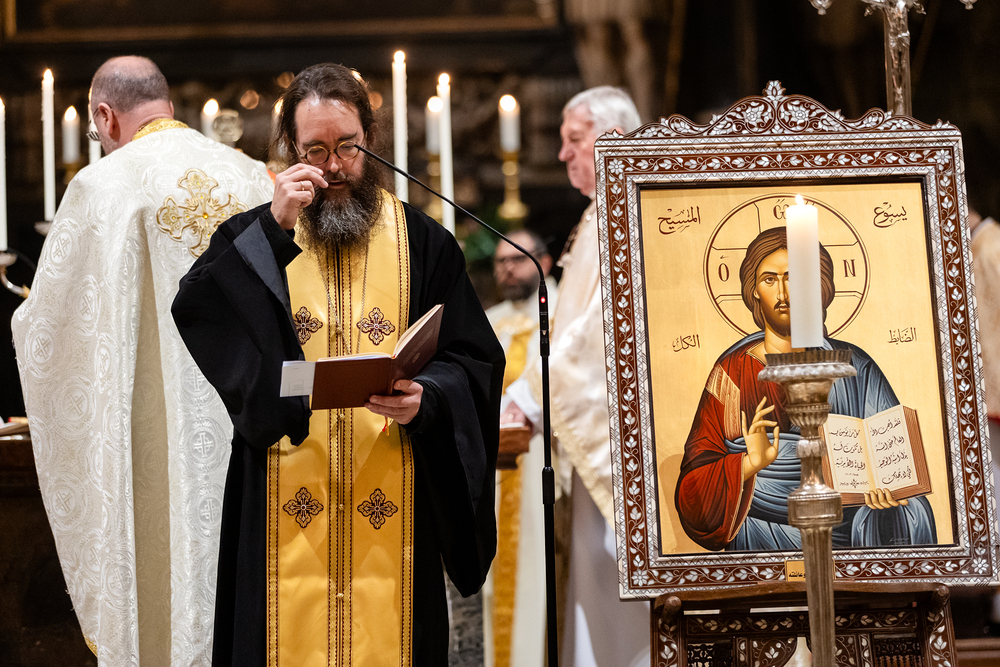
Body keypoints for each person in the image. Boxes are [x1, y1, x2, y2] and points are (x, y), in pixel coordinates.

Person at [170, 63, 504, 667]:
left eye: (347, 147)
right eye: (316, 150)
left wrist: (430, 397)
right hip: (282, 494)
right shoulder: (256, 237)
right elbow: (198, 309)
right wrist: (272, 228)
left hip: (392, 492)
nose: (334, 166)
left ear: (369, 139)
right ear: (289, 150)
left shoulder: (424, 243)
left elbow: (472, 358)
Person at [11, 56, 273, 664]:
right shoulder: (253, 177)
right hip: (251, 430)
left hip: (149, 441)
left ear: (105, 116)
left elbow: (49, 330)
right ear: (169, 106)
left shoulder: (102, 187)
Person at [502, 86, 650, 667]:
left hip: (629, 448)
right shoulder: (599, 214)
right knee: (594, 592)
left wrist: (527, 397)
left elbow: (597, 338)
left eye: (574, 139)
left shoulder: (630, 211)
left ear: (613, 138)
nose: (563, 154)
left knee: (621, 594)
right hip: (599, 436)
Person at [675, 226, 937, 552]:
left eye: (794, 278)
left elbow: (898, 469)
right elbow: (693, 489)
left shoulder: (855, 366)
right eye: (769, 279)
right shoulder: (731, 374)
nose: (783, 293)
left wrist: (889, 501)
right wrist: (749, 464)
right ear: (753, 290)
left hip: (843, 545)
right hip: (759, 545)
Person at [482, 229, 556, 667]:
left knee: (546, 577)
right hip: (497, 470)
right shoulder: (488, 321)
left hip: (546, 464)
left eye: (517, 259)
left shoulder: (564, 313)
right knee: (499, 581)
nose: (507, 269)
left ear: (544, 263)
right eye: (500, 262)